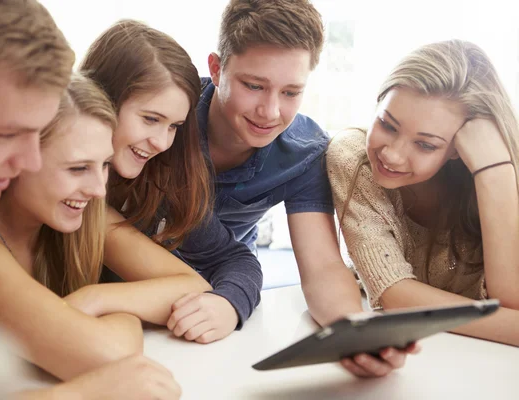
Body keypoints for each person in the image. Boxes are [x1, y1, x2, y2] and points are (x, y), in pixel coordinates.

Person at [0, 3, 181, 398]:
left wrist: (95, 299)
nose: (27, 160)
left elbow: (193, 288)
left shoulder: (74, 218)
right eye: (4, 133)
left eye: (104, 165)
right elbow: (109, 356)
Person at [168, 0, 417, 377]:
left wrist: (353, 331)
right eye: (254, 86)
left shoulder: (305, 152)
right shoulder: (170, 116)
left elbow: (322, 268)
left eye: (290, 93)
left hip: (228, 282)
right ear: (217, 69)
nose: (270, 112)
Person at [327, 39, 519, 347]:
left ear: (460, 147)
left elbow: (512, 300)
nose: (392, 155)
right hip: (422, 351)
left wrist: (494, 174)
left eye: (426, 144)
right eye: (387, 124)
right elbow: (394, 293)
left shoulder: (498, 172)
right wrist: (506, 326)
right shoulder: (353, 157)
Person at [79, 19, 257, 341]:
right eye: (150, 119)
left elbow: (229, 260)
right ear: (100, 99)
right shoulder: (65, 191)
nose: (162, 143)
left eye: (174, 126)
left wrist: (227, 303)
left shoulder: (160, 180)